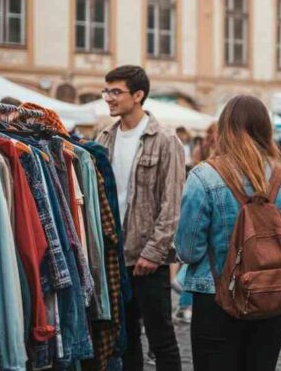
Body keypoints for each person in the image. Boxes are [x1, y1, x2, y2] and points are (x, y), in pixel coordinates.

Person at [175, 95, 281, 371]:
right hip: (271, 300)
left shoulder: (203, 177)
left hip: (216, 299)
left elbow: (189, 251)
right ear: (266, 130)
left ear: (224, 129)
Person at [96, 65, 184, 371]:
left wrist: (154, 253)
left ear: (138, 95)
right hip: (114, 258)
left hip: (149, 260)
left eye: (115, 91)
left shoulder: (165, 140)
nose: (108, 98)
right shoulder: (104, 138)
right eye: (106, 91)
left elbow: (172, 205)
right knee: (125, 340)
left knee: (162, 341)